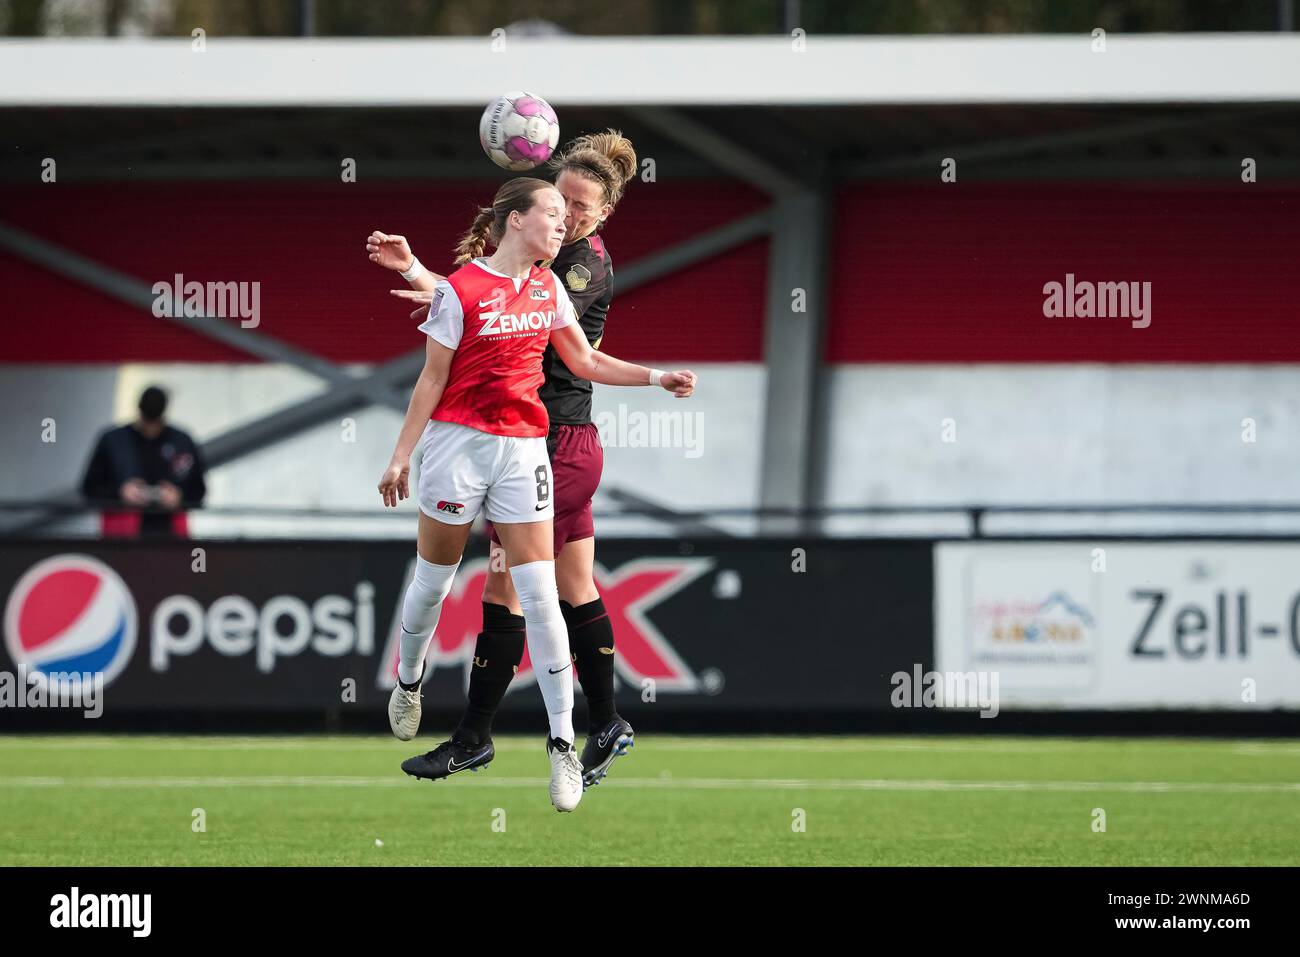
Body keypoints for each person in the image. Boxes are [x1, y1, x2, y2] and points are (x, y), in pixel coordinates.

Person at [376, 176, 695, 813]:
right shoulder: (462, 287)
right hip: (455, 448)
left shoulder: (552, 287)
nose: (564, 224)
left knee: (540, 595)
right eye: (552, 212)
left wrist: (658, 377)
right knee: (433, 581)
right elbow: (432, 378)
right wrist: (402, 454)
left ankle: (562, 747)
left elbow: (585, 362)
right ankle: (409, 683)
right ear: (516, 220)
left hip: (526, 450)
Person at [80, 385, 206, 537]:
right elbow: (89, 488)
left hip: (171, 535)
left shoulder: (181, 441)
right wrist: (121, 492)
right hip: (121, 536)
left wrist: (179, 495)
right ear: (139, 412)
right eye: (147, 422)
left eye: (155, 423)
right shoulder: (114, 441)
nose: (151, 430)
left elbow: (199, 491)